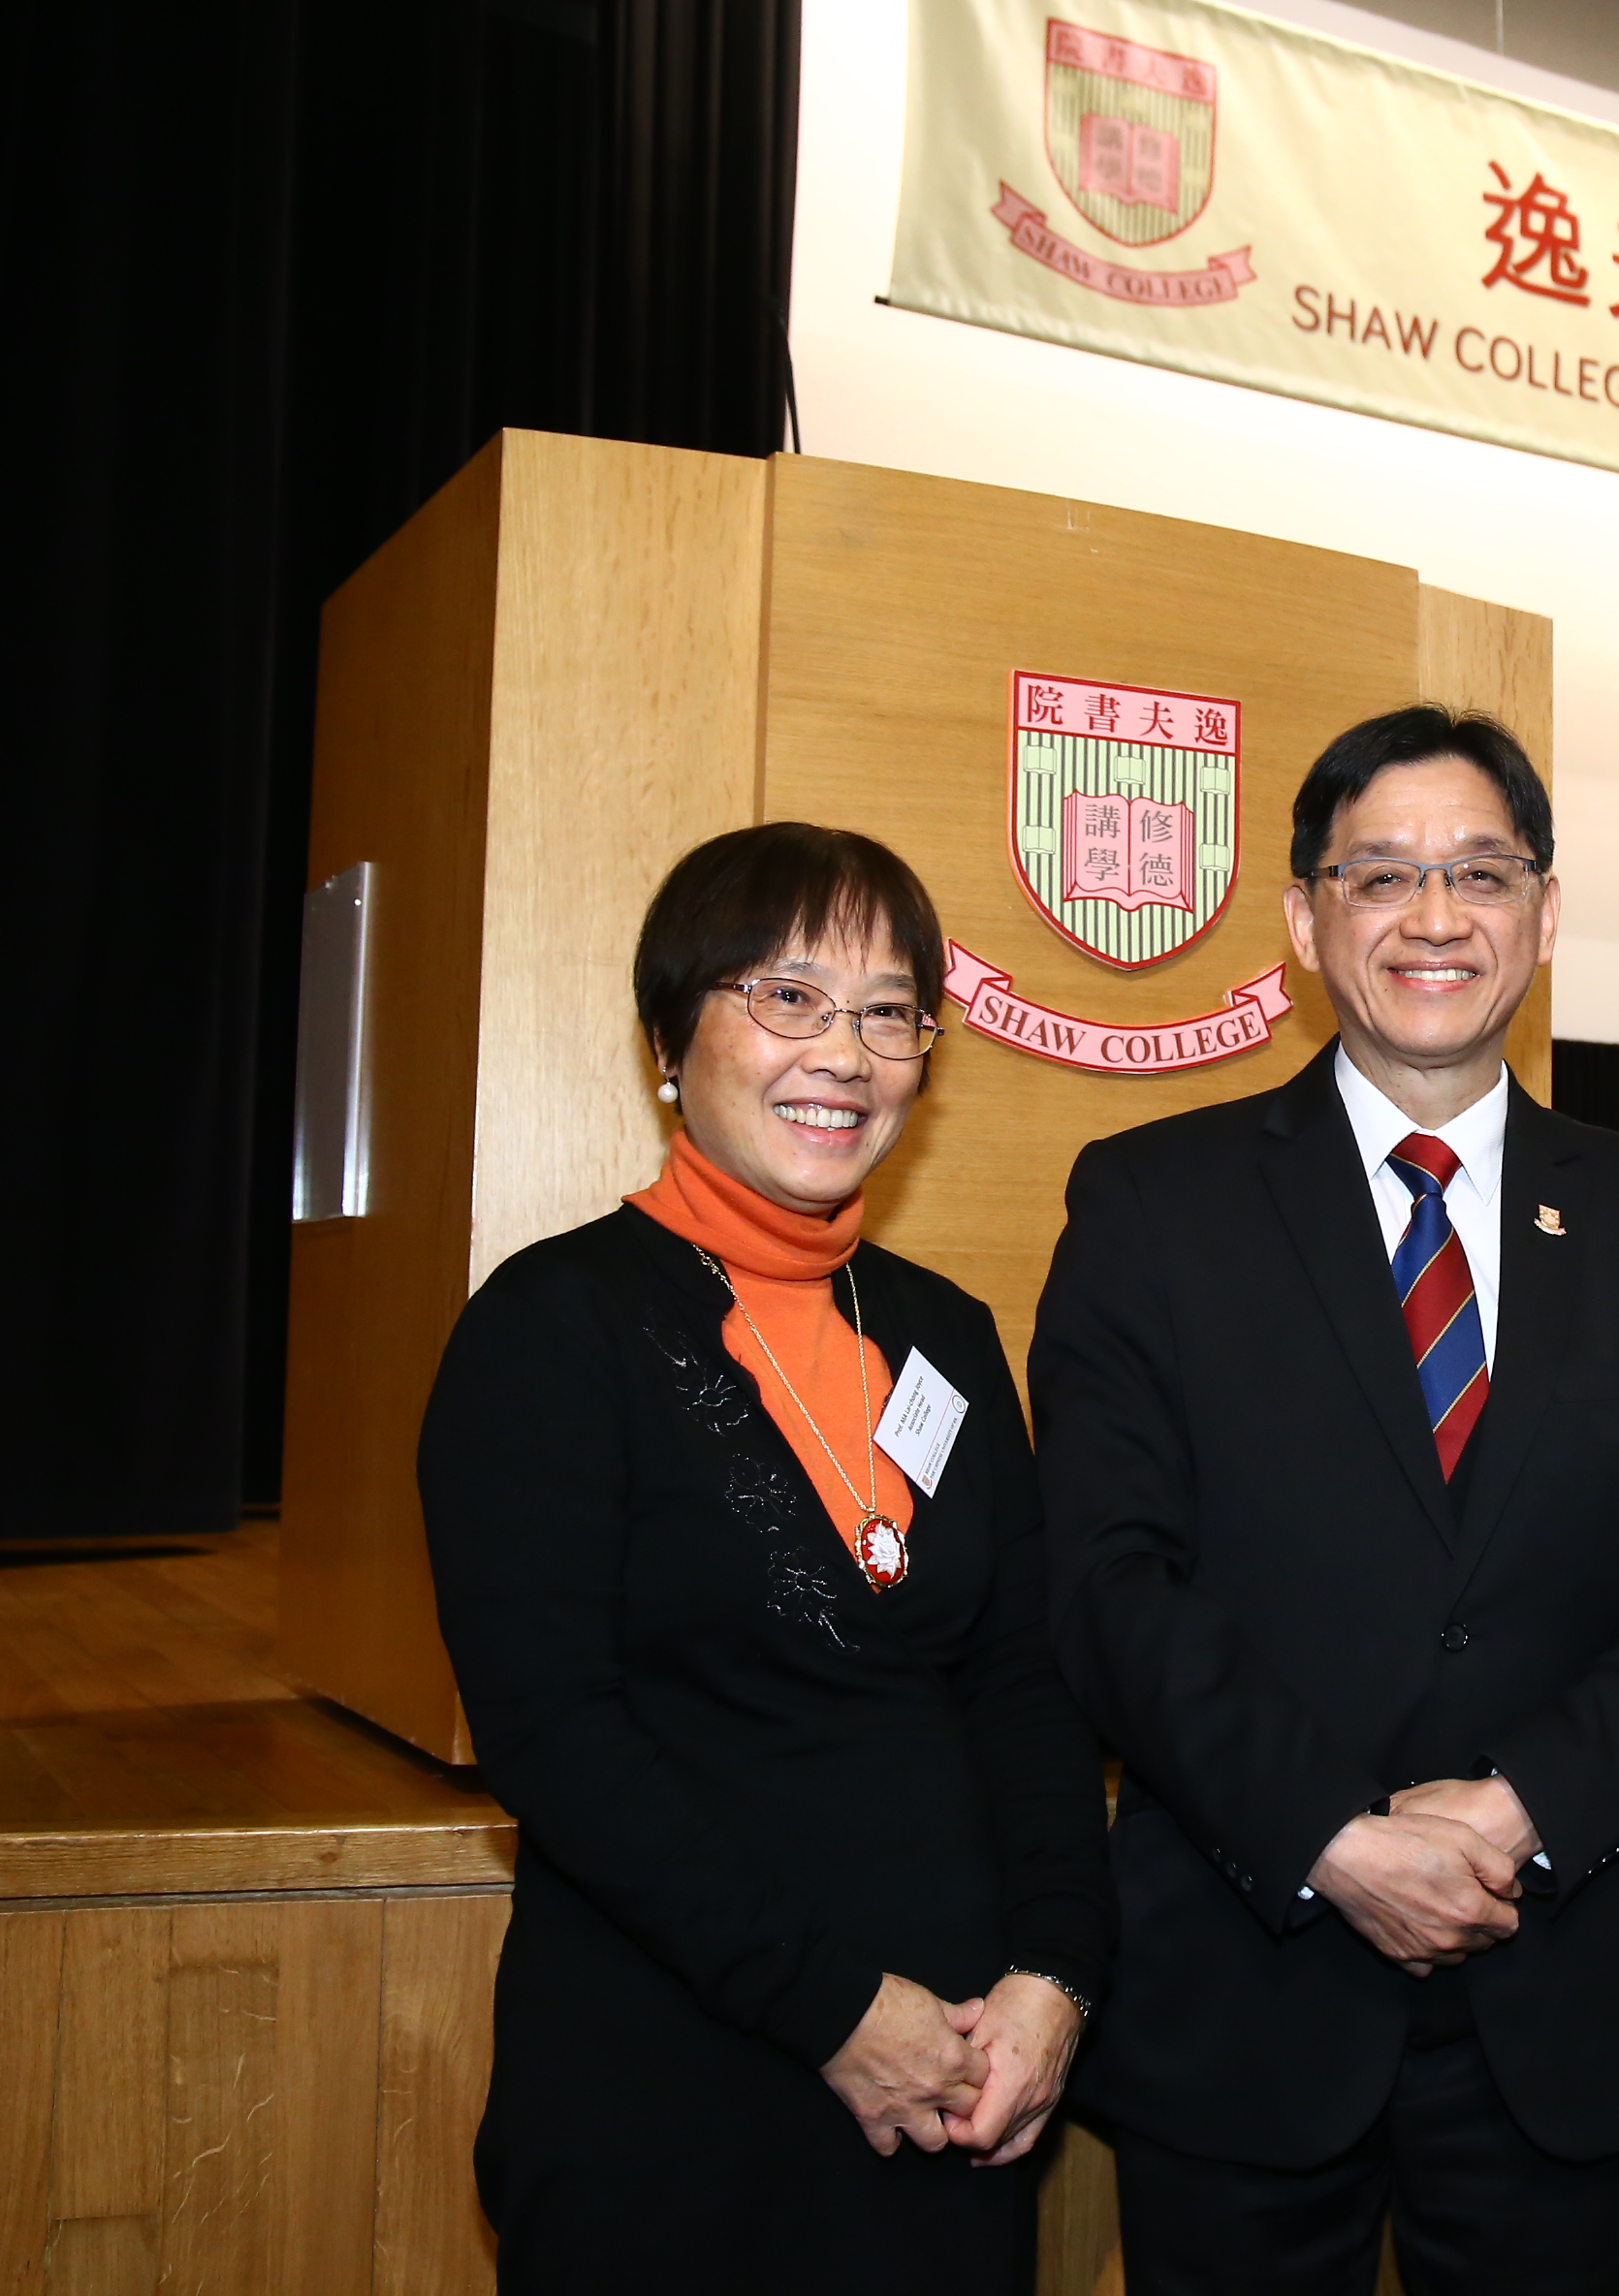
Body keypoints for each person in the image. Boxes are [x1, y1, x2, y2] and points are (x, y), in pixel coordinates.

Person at [1033, 707, 1619, 2296]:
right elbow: (1107, 1577)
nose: (1435, 917)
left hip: (1563, 1986)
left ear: (1545, 910)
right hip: (1254, 1980)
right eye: (1381, 877)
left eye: (1481, 873)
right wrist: (1329, 1835)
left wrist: (1526, 1809)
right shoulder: (1151, 1202)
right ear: (1306, 919)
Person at [418, 822, 1114, 2291]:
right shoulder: (551, 1330)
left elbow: (1025, 1689)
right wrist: (838, 2013)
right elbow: (557, 1740)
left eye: (886, 1013)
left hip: (955, 2092)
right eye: (788, 997)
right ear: (671, 1037)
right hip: (675, 2091)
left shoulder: (946, 1334)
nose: (844, 1054)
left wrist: (1054, 1977)